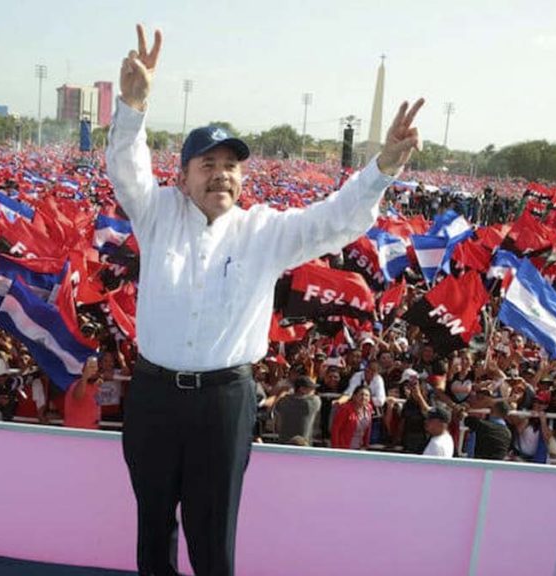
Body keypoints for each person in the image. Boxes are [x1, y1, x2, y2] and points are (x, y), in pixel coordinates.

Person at [109, 23, 423, 576]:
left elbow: (335, 220)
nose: (220, 175)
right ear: (182, 177)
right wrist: (133, 106)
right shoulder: (156, 214)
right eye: (207, 165)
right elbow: (126, 171)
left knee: (213, 533)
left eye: (230, 166)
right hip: (155, 395)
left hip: (224, 401)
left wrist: (384, 168)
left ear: (242, 177)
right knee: (153, 526)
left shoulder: (265, 232)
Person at [275, 375, 321, 445]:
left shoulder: (284, 401)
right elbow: (316, 399)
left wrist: (285, 392)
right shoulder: (312, 403)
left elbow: (278, 404)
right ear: (302, 389)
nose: (313, 391)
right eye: (311, 388)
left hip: (284, 444)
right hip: (303, 445)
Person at [331, 385, 374, 450]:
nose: (364, 397)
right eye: (361, 394)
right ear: (354, 396)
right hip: (344, 447)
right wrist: (335, 448)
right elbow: (335, 429)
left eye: (367, 395)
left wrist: (366, 445)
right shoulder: (345, 409)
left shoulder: (369, 408)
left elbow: (368, 429)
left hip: (360, 447)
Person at [64, 357, 101, 430]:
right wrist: (85, 376)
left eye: (95, 368)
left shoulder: (95, 386)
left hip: (91, 430)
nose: (93, 371)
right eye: (90, 368)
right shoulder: (77, 385)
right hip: (77, 432)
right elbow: (78, 396)